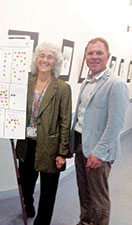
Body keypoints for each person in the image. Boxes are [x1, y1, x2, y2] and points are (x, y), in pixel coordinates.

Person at [71, 37, 129, 225]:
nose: (94, 57)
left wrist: (99, 153)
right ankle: (85, 221)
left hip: (98, 151)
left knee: (98, 199)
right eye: (90, 53)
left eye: (99, 53)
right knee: (84, 192)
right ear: (85, 56)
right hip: (81, 144)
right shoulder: (87, 81)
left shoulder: (116, 84)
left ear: (108, 56)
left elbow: (115, 124)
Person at [16, 42, 72, 225]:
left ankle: (42, 222)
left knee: (48, 192)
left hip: (50, 147)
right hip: (27, 144)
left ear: (55, 62)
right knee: (25, 185)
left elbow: (65, 122)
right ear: (36, 58)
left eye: (50, 57)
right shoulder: (26, 82)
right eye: (42, 55)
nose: (45, 60)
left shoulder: (62, 88)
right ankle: (29, 205)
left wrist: (62, 152)